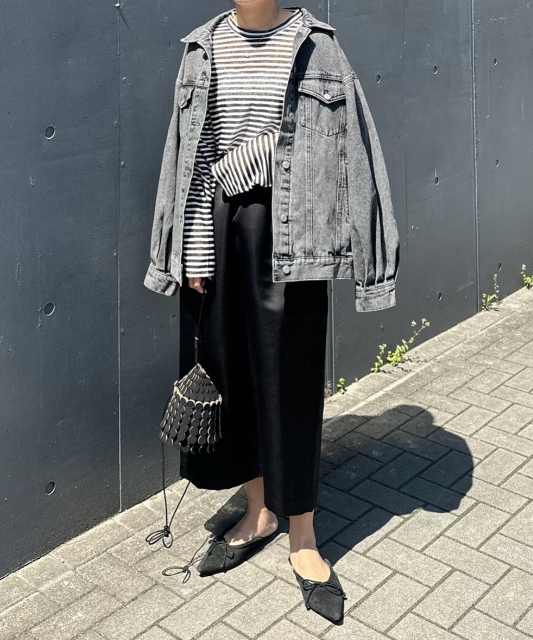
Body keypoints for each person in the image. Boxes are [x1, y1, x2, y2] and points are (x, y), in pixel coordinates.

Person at [144, 0, 400, 625]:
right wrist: (185, 248)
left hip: (293, 234)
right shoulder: (202, 48)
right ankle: (258, 511)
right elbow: (186, 156)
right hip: (214, 234)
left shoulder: (318, 47)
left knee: (291, 383)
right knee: (227, 375)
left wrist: (374, 264)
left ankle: (303, 536)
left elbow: (356, 150)